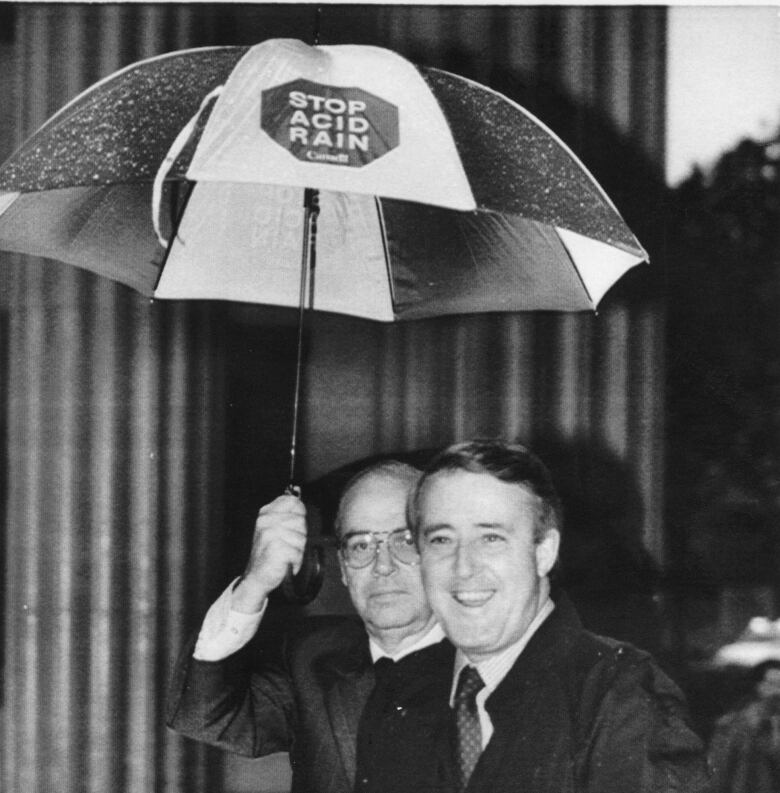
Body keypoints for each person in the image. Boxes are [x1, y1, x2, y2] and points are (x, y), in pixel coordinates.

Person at [411, 439, 712, 793]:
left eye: (491, 538)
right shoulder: (400, 693)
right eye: (442, 540)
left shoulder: (622, 698)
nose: (463, 568)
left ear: (544, 552)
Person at [167, 460, 453, 793]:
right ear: (344, 569)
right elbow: (202, 716)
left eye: (405, 541)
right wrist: (255, 583)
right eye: (361, 545)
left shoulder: (495, 663)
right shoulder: (311, 657)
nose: (383, 566)